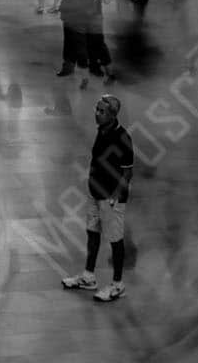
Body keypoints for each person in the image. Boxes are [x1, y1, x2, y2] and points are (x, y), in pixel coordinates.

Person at [61, 94, 133, 303]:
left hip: (110, 197)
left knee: (115, 239)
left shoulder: (122, 138)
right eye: (96, 109)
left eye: (102, 111)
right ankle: (88, 277)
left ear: (112, 115)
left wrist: (115, 197)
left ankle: (118, 285)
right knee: (92, 233)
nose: (97, 114)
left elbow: (127, 173)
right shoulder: (102, 131)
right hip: (95, 192)